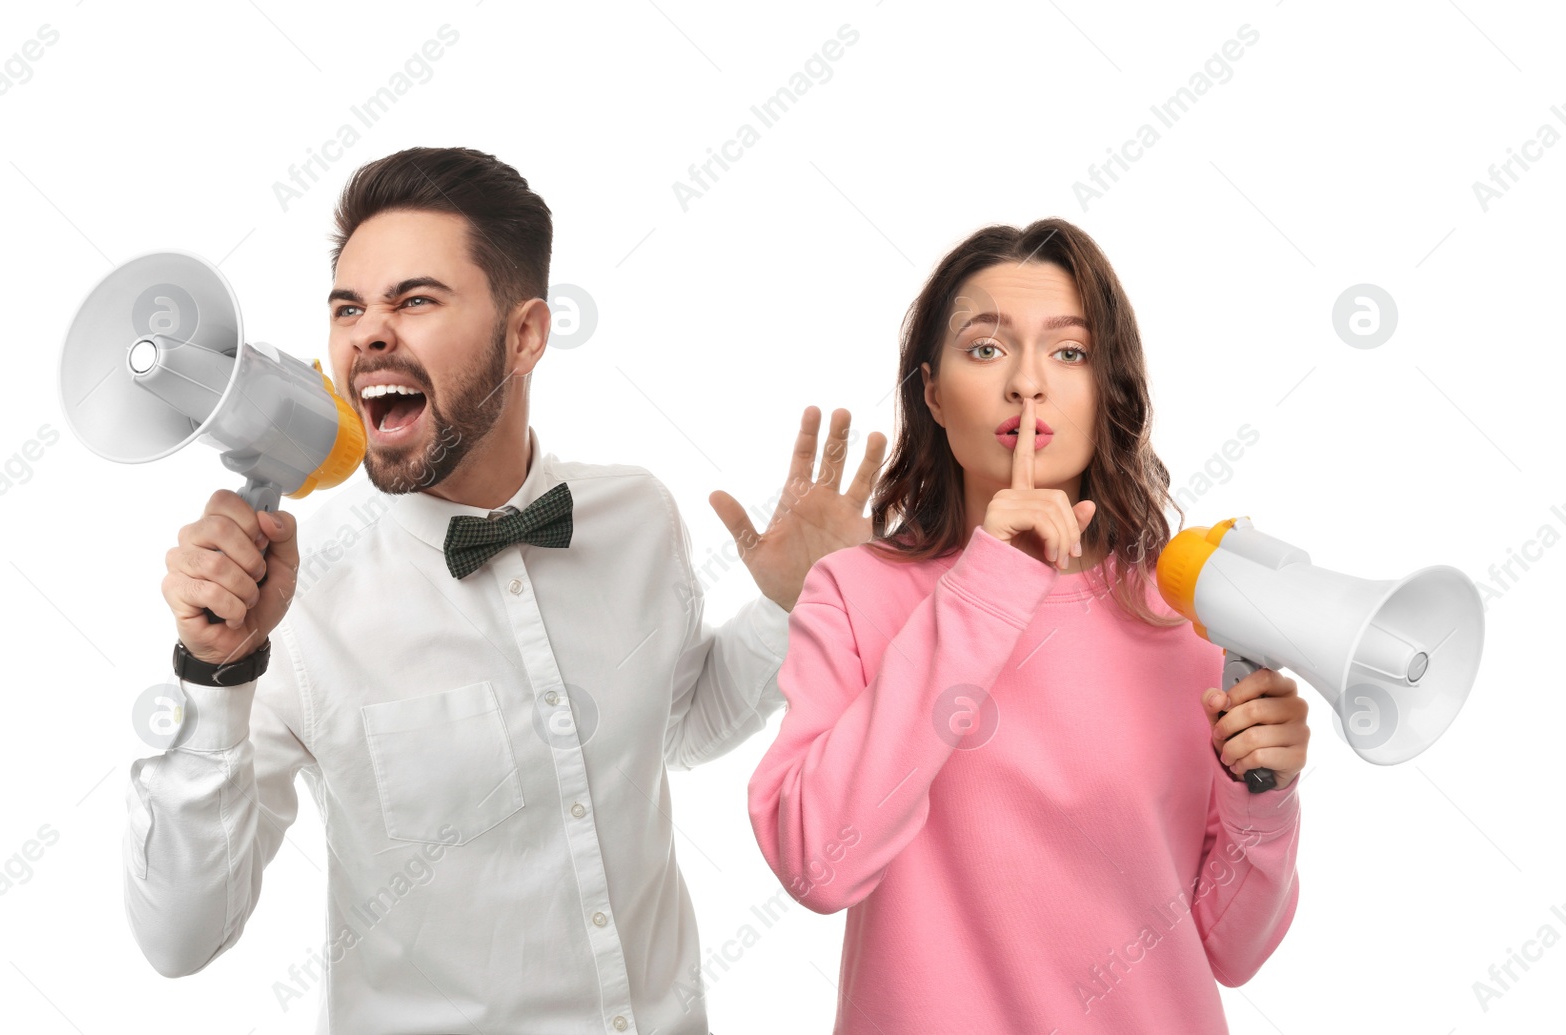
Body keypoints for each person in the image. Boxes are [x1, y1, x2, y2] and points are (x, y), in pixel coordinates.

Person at [124, 145, 887, 1034]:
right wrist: (214, 674)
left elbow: (678, 726)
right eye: (349, 307)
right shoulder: (298, 599)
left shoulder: (637, 515)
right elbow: (178, 938)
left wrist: (791, 605)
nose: (369, 332)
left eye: (414, 300)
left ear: (524, 334)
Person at [747, 218, 1309, 1034]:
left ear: (1108, 389)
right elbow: (814, 861)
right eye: (985, 349)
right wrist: (988, 585)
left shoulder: (1188, 611)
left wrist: (1266, 793)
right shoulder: (855, 593)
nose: (1028, 384)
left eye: (1070, 352)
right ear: (932, 393)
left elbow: (1230, 949)